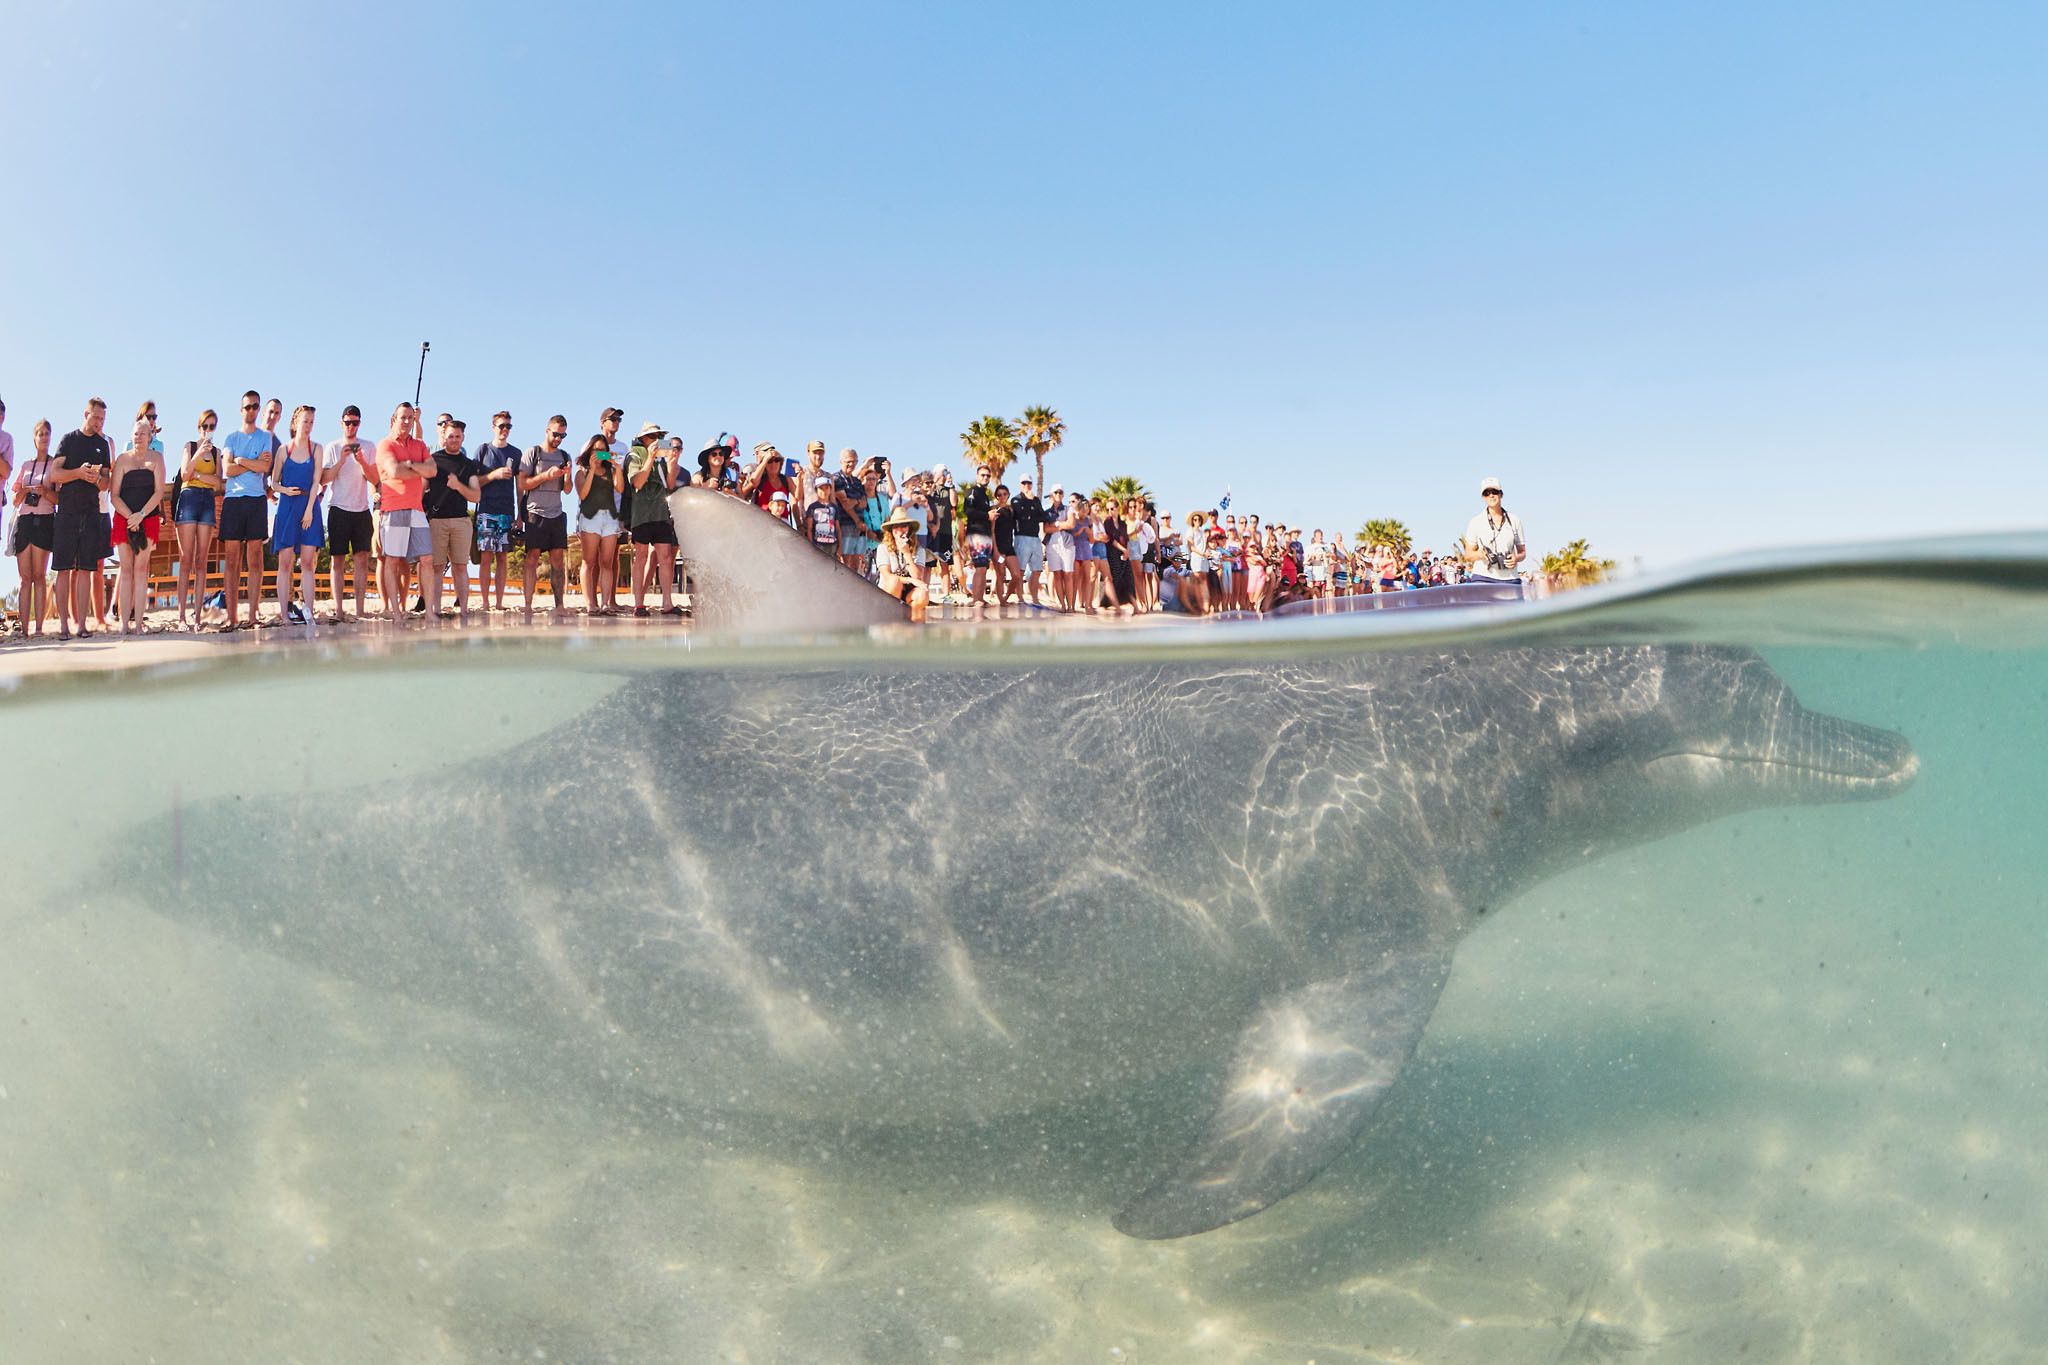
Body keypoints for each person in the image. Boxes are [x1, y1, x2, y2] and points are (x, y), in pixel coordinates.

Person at [49, 399, 114, 639]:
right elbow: (54, 473)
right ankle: (64, 626)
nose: (99, 423)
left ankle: (82, 626)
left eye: (102, 419)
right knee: (63, 569)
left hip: (91, 512)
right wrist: (77, 473)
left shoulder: (103, 445)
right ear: (86, 414)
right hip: (66, 512)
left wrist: (95, 478)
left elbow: (106, 482)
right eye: (95, 417)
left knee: (87, 568)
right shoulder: (69, 440)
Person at [375, 403, 437, 624]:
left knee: (427, 559)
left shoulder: (419, 444)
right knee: (393, 560)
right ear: (394, 419)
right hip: (393, 509)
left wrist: (410, 464)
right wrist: (416, 467)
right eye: (403, 418)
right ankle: (397, 613)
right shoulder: (385, 444)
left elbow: (432, 470)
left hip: (416, 509)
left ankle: (429, 611)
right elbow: (394, 470)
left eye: (410, 418)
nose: (407, 422)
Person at [218, 390, 273, 630]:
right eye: (248, 406)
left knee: (255, 558)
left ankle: (252, 614)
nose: (251, 410)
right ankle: (231, 616)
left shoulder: (265, 437)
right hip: (233, 500)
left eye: (255, 406)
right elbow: (226, 470)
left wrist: (241, 461)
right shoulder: (230, 438)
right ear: (241, 410)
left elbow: (264, 466)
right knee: (232, 560)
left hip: (256, 500)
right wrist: (247, 464)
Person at [267, 404, 324, 626]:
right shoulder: (283, 450)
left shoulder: (317, 448)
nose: (308, 426)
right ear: (295, 423)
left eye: (311, 422)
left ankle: (308, 611)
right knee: (285, 562)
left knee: (308, 563)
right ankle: (284, 615)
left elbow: (317, 481)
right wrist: (284, 490)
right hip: (287, 508)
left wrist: (310, 509)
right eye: (305, 421)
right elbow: (273, 482)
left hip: (309, 506)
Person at [320, 405, 378, 621]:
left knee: (362, 560)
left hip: (361, 509)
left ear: (360, 424)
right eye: (348, 422)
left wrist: (362, 460)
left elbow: (375, 480)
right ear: (341, 423)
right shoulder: (332, 447)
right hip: (338, 508)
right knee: (337, 560)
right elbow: (323, 479)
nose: (351, 426)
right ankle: (339, 609)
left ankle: (360, 609)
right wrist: (341, 461)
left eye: (355, 422)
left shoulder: (369, 446)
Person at [109, 417, 166, 633]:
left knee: (141, 570)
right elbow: (114, 495)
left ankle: (139, 623)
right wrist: (130, 516)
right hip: (123, 517)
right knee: (126, 569)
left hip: (148, 518)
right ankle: (124, 624)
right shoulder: (123, 459)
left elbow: (159, 491)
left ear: (150, 436)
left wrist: (141, 515)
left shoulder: (157, 458)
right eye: (135, 433)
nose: (138, 437)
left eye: (143, 433)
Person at [424, 417, 482, 618]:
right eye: (451, 436)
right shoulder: (432, 460)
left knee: (460, 566)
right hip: (436, 520)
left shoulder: (469, 465)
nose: (454, 440)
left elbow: (476, 495)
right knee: (437, 567)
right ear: (443, 437)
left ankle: (464, 609)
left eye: (458, 436)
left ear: (463, 438)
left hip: (460, 520)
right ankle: (436, 609)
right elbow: (422, 488)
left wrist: (458, 486)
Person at [518, 415, 574, 618]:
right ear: (547, 430)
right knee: (532, 558)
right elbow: (523, 483)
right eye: (556, 434)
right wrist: (545, 476)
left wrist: (567, 476)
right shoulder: (533, 453)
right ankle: (528, 604)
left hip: (557, 513)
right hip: (535, 512)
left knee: (558, 560)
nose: (559, 438)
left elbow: (568, 490)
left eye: (563, 435)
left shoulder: (565, 455)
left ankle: (559, 605)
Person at [9, 419, 57, 636]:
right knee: (24, 578)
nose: (44, 438)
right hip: (24, 520)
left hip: (44, 520)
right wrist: (25, 490)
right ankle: (24, 628)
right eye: (40, 434)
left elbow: (58, 498)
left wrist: (43, 491)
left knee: (39, 575)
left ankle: (39, 627)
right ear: (34, 438)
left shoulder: (55, 464)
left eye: (47, 434)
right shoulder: (26, 466)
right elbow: (15, 499)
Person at [627, 425, 678, 616]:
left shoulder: (661, 460)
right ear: (643, 438)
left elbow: (670, 485)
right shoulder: (634, 455)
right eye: (652, 436)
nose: (657, 439)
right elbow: (637, 482)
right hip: (641, 513)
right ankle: (639, 604)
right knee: (641, 556)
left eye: (659, 436)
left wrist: (672, 463)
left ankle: (667, 603)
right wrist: (649, 457)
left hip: (661, 513)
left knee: (665, 557)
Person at [474, 411, 522, 612]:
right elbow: (474, 481)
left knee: (503, 557)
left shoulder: (516, 453)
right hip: (486, 510)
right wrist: (494, 475)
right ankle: (485, 602)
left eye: (508, 426)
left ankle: (499, 602)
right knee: (486, 557)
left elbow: (520, 487)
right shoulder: (483, 450)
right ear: (493, 427)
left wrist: (520, 515)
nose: (505, 430)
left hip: (506, 512)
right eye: (501, 426)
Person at [575, 433, 624, 616]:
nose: (600, 453)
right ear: (589, 451)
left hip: (610, 517)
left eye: (603, 450)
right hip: (590, 517)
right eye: (596, 450)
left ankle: (605, 604)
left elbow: (620, 488)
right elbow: (583, 495)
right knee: (589, 560)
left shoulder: (610, 471)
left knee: (607, 562)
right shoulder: (581, 472)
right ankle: (590, 604)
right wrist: (592, 469)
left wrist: (618, 467)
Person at [1463, 477, 1525, 586]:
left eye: (1494, 492)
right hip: (1483, 577)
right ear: (1483, 497)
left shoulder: (1514, 520)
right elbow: (1468, 554)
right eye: (1487, 493)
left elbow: (1522, 552)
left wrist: (1516, 558)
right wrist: (1480, 554)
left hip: (1511, 578)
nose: (1491, 495)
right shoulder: (1475, 521)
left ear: (1501, 494)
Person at [874, 505, 928, 622]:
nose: (900, 530)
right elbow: (887, 576)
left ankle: (912, 623)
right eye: (896, 527)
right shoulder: (883, 548)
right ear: (891, 531)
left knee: (923, 594)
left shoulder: (919, 550)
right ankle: (891, 620)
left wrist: (907, 553)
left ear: (909, 529)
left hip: (909, 592)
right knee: (895, 581)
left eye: (904, 526)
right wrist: (910, 580)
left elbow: (918, 577)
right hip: (890, 590)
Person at [958, 464, 996, 620]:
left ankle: (979, 597)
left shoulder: (985, 495)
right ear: (977, 475)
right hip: (976, 534)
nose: (985, 478)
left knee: (983, 568)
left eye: (988, 475)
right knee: (980, 567)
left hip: (985, 535)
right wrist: (987, 515)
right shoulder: (972, 491)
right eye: (983, 475)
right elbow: (969, 511)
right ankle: (976, 599)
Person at [1011, 476, 1047, 606]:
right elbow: (1020, 515)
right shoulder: (1016, 500)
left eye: (1029, 483)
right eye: (1024, 483)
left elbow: (1042, 516)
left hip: (1035, 537)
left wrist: (1032, 502)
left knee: (1037, 570)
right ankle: (1020, 597)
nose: (1027, 485)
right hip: (1021, 537)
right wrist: (1029, 502)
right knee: (1020, 570)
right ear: (1020, 484)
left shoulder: (1036, 500)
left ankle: (1035, 598)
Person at [800, 475, 842, 557]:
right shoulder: (812, 507)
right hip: (818, 544)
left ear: (830, 490)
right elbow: (809, 529)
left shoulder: (834, 507)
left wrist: (840, 546)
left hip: (832, 544)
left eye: (826, 488)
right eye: (821, 488)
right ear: (816, 490)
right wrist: (811, 546)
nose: (824, 491)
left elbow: (838, 529)